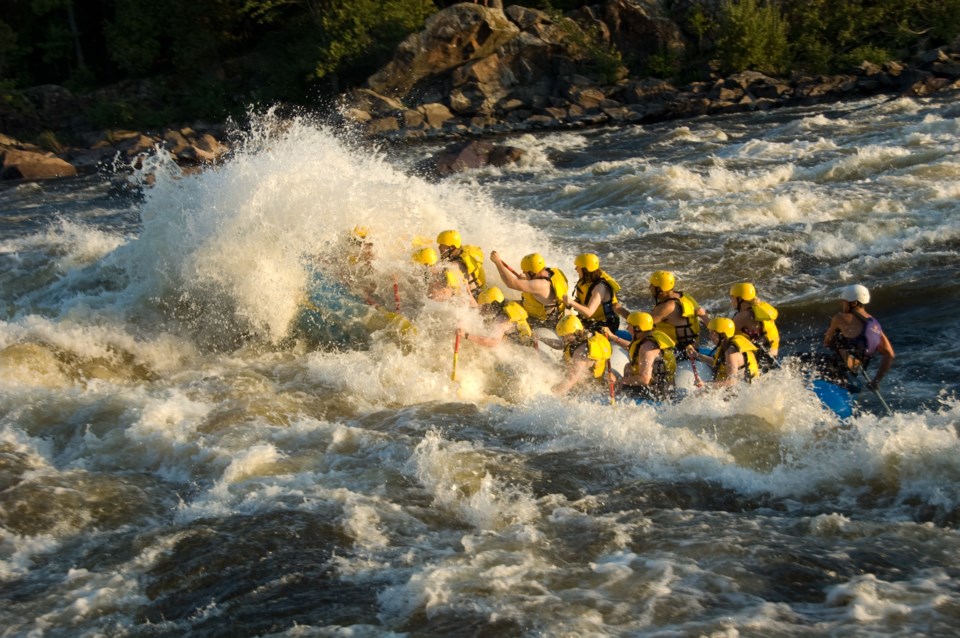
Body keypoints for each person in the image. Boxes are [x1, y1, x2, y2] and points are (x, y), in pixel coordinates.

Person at [823, 284, 894, 390]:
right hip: (853, 373)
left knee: (794, 360)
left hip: (835, 369)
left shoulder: (840, 318)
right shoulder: (876, 325)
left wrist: (833, 333)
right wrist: (876, 381)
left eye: (844, 302)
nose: (842, 304)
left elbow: (826, 343)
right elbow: (890, 355)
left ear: (854, 303)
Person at [604, 311, 677, 402]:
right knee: (628, 367)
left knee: (613, 378)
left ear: (637, 328)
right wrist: (612, 337)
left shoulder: (647, 348)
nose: (627, 328)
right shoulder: (649, 340)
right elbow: (631, 347)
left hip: (654, 396)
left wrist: (618, 381)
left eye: (629, 325)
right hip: (665, 391)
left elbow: (644, 379)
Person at [490, 251, 569, 327]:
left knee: (506, 313)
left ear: (532, 273)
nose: (524, 273)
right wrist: (527, 279)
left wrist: (498, 263)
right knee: (496, 304)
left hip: (543, 323)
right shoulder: (554, 272)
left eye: (525, 273)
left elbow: (510, 283)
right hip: (541, 314)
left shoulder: (541, 285)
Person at [563, 253, 629, 333]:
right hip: (589, 321)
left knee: (575, 338)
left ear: (585, 270)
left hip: (605, 324)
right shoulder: (586, 280)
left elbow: (589, 312)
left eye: (578, 267)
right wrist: (569, 304)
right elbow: (583, 301)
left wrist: (571, 302)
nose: (575, 268)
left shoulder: (599, 287)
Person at [687, 317, 759, 388]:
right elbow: (717, 362)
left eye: (713, 333)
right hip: (742, 386)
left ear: (722, 335)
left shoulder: (731, 353)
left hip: (745, 389)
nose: (710, 336)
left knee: (701, 392)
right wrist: (696, 355)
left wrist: (705, 384)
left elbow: (732, 382)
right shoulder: (726, 345)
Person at [551, 314, 613, 395]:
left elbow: (572, 379)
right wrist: (541, 339)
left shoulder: (581, 352)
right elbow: (561, 344)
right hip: (598, 380)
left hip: (590, 389)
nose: (563, 339)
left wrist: (552, 394)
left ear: (572, 334)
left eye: (564, 336)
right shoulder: (588, 335)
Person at [648, 270, 708, 351]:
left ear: (659, 289)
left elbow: (640, 324)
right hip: (693, 345)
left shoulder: (667, 307)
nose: (649, 287)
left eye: (652, 285)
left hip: (679, 350)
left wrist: (623, 309)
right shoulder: (686, 297)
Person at [458, 286, 535, 348]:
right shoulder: (503, 305)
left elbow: (491, 342)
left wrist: (465, 335)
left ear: (491, 306)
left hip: (522, 347)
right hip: (521, 338)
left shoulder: (502, 319)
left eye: (484, 306)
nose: (482, 309)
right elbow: (478, 309)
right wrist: (468, 293)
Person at [730, 282, 780, 369]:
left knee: (729, 350)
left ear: (740, 299)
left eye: (732, 298)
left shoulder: (744, 316)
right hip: (772, 358)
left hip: (758, 361)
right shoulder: (760, 309)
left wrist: (703, 316)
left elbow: (723, 332)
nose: (731, 301)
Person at [436, 229, 486, 299]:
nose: (439, 248)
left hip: (476, 298)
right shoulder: (462, 253)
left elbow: (452, 267)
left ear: (452, 247)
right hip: (478, 293)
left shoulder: (458, 264)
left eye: (442, 245)